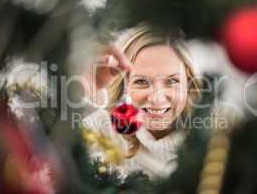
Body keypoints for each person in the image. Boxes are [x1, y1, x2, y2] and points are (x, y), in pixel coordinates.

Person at [82, 25, 201, 179]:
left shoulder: (209, 140)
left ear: (188, 83)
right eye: (141, 82)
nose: (157, 98)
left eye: (172, 81)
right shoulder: (103, 130)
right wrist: (86, 89)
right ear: (124, 85)